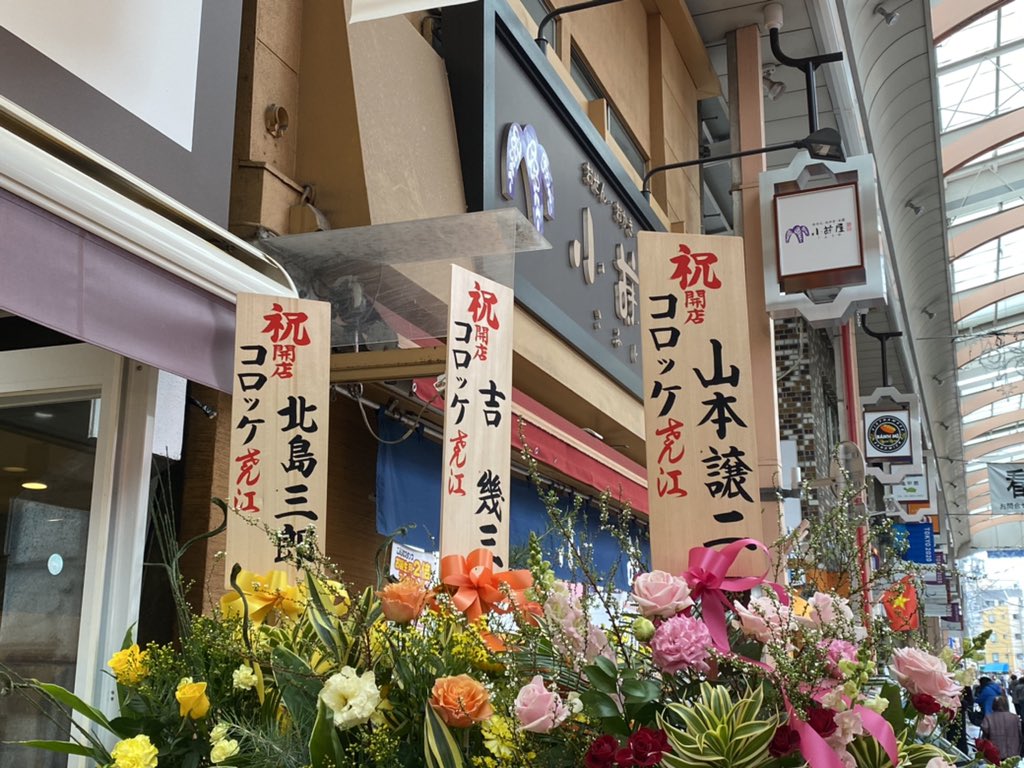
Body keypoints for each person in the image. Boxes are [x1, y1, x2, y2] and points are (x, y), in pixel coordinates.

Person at [981, 696, 1021, 760]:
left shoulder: (988, 718)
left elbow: (985, 732)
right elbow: (1020, 734)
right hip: (1013, 753)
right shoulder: (1015, 718)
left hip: (995, 753)